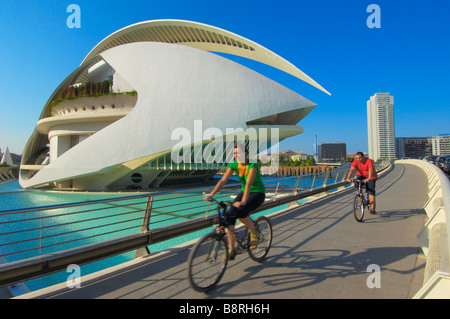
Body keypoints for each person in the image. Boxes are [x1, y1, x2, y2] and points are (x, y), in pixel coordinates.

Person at [204, 143, 266, 260]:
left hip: (257, 193)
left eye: (239, 153)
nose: (236, 155)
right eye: (235, 153)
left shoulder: (253, 165)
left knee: (241, 213)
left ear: (246, 153)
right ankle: (231, 250)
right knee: (228, 218)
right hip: (245, 192)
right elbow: (223, 181)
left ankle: (254, 234)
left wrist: (242, 202)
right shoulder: (234, 165)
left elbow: (248, 184)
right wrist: (211, 194)